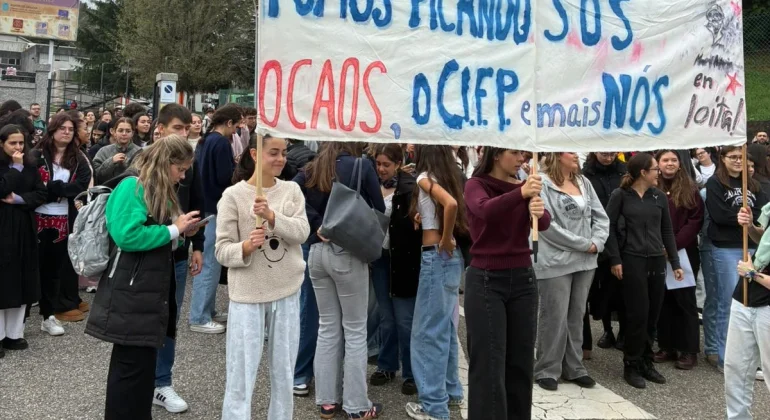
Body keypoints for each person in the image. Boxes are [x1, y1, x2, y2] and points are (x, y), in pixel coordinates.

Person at [85, 135, 201, 420]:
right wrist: (174, 230)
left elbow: (152, 236)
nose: (183, 176)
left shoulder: (152, 186)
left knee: (140, 368)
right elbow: (127, 235)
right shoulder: (132, 185)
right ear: (166, 163)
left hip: (143, 287)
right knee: (130, 369)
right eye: (181, 169)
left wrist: (181, 233)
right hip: (132, 287)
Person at [217, 134, 309, 419]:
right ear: (256, 154)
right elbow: (221, 250)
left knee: (283, 370)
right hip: (248, 292)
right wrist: (245, 247)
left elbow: (302, 232)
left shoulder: (292, 191)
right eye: (273, 152)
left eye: (284, 152)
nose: (281, 158)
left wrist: (272, 216)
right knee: (241, 371)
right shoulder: (232, 196)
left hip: (287, 289)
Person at [294, 141, 385, 419]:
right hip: (347, 252)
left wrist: (316, 222)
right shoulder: (361, 165)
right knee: (355, 330)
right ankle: (357, 405)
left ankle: (326, 401)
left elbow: (291, 193)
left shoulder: (310, 168)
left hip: (317, 252)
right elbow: (379, 208)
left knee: (327, 327)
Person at [464, 147, 550, 419]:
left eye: (524, 154)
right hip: (487, 280)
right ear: (496, 155)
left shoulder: (527, 184)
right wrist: (521, 194)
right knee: (488, 365)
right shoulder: (476, 184)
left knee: (521, 364)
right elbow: (484, 210)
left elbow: (544, 223)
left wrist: (538, 207)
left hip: (523, 278)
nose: (522, 159)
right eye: (515, 153)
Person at [605, 153, 684, 389]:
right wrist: (615, 259)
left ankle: (646, 361)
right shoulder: (621, 196)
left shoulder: (659, 197)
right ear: (643, 173)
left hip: (656, 261)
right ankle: (631, 362)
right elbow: (607, 227)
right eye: (655, 169)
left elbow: (667, 231)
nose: (658, 173)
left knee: (653, 314)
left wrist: (675, 262)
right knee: (637, 314)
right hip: (631, 260)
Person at [534, 152, 609, 391]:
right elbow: (547, 226)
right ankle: (547, 368)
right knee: (553, 316)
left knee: (576, 315)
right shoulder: (542, 183)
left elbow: (600, 216)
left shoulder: (583, 182)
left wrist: (598, 241)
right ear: (556, 155)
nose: (576, 155)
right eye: (570, 151)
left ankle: (574, 367)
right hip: (555, 260)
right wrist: (583, 244)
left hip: (586, 260)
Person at [405, 145, 466, 420]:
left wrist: (443, 238)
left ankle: (433, 405)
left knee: (426, 334)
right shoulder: (449, 175)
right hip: (452, 260)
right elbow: (449, 205)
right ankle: (451, 393)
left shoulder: (423, 177)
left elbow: (449, 204)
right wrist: (425, 216)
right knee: (445, 329)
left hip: (435, 257)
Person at [151, 104, 204, 413]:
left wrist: (197, 243)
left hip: (179, 254)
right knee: (145, 318)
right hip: (147, 254)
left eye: (187, 128)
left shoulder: (189, 164)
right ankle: (143, 380)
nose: (184, 134)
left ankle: (161, 382)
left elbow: (197, 204)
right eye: (177, 128)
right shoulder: (142, 164)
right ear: (160, 129)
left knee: (170, 318)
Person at [705, 145, 768, 372]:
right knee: (727, 302)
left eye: (741, 157)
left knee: (750, 302)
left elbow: (761, 213)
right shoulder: (715, 183)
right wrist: (739, 217)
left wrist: (750, 221)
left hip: (752, 248)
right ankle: (722, 354)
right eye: (733, 157)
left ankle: (749, 356)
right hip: (725, 246)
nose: (738, 161)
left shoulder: (752, 184)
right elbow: (719, 213)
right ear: (722, 159)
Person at [368, 144, 422, 395]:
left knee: (405, 320)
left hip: (404, 260)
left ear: (399, 164)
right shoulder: (371, 185)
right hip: (380, 258)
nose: (381, 169)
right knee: (386, 318)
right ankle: (387, 365)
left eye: (386, 164)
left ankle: (411, 371)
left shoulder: (410, 188)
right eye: (378, 163)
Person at [32, 113, 92, 333]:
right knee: (33, 267)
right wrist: (53, 190)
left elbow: (81, 186)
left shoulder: (78, 158)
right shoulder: (37, 154)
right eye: (62, 128)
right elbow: (32, 184)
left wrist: (56, 188)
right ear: (53, 130)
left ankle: (48, 315)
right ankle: (20, 318)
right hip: (36, 216)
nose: (66, 132)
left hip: (63, 219)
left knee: (54, 269)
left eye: (70, 129)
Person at [189, 104, 240, 334]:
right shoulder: (221, 142)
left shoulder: (207, 139)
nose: (237, 130)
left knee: (211, 260)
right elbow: (224, 176)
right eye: (236, 125)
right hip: (215, 207)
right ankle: (199, 315)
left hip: (207, 205)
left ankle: (207, 310)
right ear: (228, 123)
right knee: (209, 262)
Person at [652, 150, 704, 371]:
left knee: (685, 302)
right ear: (658, 164)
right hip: (656, 252)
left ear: (680, 164)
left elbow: (695, 221)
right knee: (663, 301)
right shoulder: (652, 189)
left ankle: (688, 349)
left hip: (683, 253)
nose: (670, 163)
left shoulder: (690, 190)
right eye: (665, 160)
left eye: (674, 160)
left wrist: (673, 245)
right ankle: (667, 345)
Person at [0, 125, 47, 357]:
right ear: (2, 144)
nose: (18, 148)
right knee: (3, 281)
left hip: (24, 228)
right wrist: (15, 169)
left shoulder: (30, 166)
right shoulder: (11, 167)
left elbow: (40, 193)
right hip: (2, 229)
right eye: (12, 143)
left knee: (21, 278)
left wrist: (20, 199)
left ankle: (14, 333)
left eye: (21, 143)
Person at [582, 152, 627, 351]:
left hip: (622, 233)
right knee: (603, 289)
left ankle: (624, 331)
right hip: (598, 235)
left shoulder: (624, 171)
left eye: (611, 154)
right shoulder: (586, 174)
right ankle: (607, 329)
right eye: (604, 154)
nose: (608, 158)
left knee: (623, 287)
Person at [729, 206, 770, 419]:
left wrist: (752, 273)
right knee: (736, 369)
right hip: (745, 295)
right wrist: (750, 226)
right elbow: (763, 239)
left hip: (764, 299)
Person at [92, 118, 140, 185]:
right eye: (120, 131)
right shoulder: (104, 151)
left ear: (132, 133)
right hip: (108, 192)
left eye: (128, 131)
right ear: (114, 132)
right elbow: (95, 174)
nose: (124, 134)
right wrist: (111, 161)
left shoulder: (140, 152)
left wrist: (127, 164)